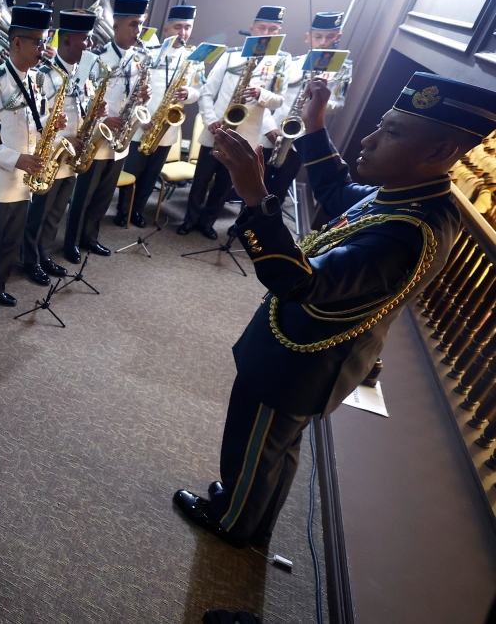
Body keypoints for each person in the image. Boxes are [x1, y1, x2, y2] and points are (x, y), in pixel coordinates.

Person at [174, 72, 493, 550]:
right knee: (274, 447)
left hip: (301, 357)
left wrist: (256, 197)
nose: (369, 139)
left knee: (255, 440)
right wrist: (316, 124)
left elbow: (302, 282)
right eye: (381, 125)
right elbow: (339, 192)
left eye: (391, 133)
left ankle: (233, 520)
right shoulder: (413, 193)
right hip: (311, 353)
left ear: (438, 151)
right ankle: (254, 514)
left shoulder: (410, 230)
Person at [0, 4, 59, 317]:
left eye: (45, 42)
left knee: (11, 241)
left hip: (24, 178)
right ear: (17, 43)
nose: (43, 49)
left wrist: (52, 123)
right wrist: (16, 158)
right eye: (38, 42)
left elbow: (34, 120)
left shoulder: (35, 80)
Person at [178, 6, 289, 239]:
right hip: (217, 129)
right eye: (261, 27)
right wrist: (211, 120)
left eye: (272, 29)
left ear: (279, 32)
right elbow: (207, 92)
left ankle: (207, 223)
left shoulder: (280, 63)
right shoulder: (231, 55)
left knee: (226, 183)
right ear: (252, 28)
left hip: (246, 136)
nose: (266, 32)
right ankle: (189, 220)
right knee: (201, 179)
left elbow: (279, 100)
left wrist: (261, 94)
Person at [63, 0, 152, 262]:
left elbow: (136, 94)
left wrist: (144, 98)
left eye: (141, 25)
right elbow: (76, 95)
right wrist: (101, 122)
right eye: (133, 24)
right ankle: (72, 242)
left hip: (121, 139)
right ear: (116, 24)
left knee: (104, 194)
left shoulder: (140, 57)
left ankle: (91, 236)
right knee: (84, 194)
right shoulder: (94, 57)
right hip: (96, 136)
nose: (138, 31)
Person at [22, 8, 98, 284]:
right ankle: (30, 260)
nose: (89, 46)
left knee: (56, 212)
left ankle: (44, 254)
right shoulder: (44, 75)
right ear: (66, 42)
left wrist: (93, 113)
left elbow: (81, 104)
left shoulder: (84, 70)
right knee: (39, 213)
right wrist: (61, 141)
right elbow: (37, 119)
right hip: (54, 152)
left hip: (74, 154)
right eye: (85, 40)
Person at [115, 2, 205, 228]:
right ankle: (122, 210)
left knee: (151, 174)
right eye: (177, 27)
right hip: (142, 124)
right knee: (133, 171)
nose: (182, 32)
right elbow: (132, 92)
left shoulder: (195, 58)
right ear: (166, 30)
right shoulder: (148, 54)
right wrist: (141, 118)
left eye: (187, 27)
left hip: (168, 127)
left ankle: (137, 211)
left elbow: (199, 91)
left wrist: (188, 93)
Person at [260, 11, 352, 202]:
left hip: (302, 136)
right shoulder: (290, 63)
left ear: (338, 37)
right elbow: (268, 97)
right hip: (275, 130)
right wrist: (269, 126)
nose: (323, 42)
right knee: (258, 181)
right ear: (307, 37)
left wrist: (318, 102)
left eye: (330, 37)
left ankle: (265, 228)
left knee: (280, 188)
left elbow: (339, 104)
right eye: (318, 37)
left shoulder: (342, 68)